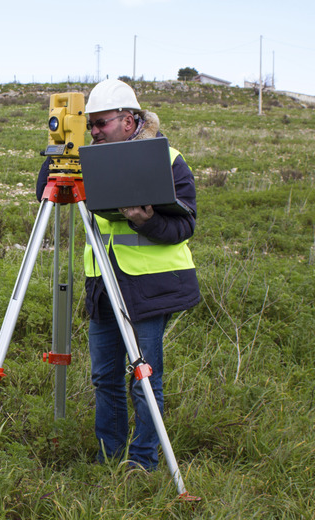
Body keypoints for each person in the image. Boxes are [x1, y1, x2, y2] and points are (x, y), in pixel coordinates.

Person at [35, 78, 200, 470]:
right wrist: (63, 150)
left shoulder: (168, 158)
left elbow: (185, 225)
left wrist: (147, 222)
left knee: (143, 378)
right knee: (104, 376)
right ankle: (108, 455)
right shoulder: (87, 158)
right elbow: (45, 189)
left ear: (128, 121)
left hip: (151, 286)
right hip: (103, 286)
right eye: (88, 124)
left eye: (101, 124)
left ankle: (142, 462)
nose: (94, 132)